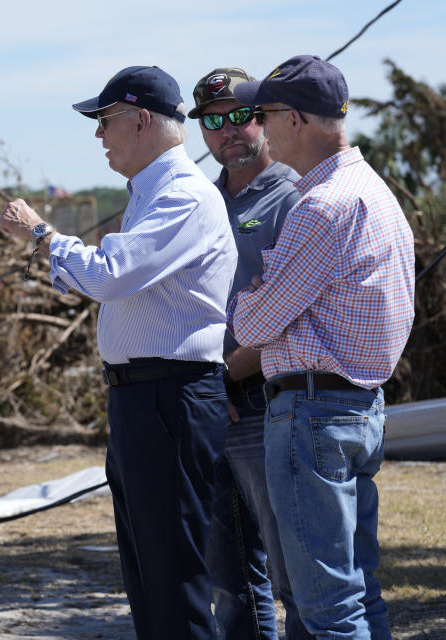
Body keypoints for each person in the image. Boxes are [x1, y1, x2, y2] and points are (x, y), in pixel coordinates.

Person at [0, 65, 237, 639]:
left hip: (170, 397)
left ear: (141, 120)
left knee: (175, 577)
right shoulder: (153, 195)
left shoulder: (183, 196)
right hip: (146, 399)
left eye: (105, 121)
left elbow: (109, 275)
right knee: (149, 571)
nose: (99, 135)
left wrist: (41, 236)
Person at [228, 55, 415, 639]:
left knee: (328, 607)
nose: (256, 124)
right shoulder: (374, 192)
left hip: (311, 415)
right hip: (359, 408)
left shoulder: (320, 207)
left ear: (297, 120)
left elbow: (254, 324)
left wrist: (254, 299)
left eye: (263, 113)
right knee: (360, 592)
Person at [188, 68, 310, 640]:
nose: (228, 130)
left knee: (296, 578)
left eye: (240, 115)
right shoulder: (200, 203)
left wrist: (223, 379)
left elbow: (297, 315)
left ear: (265, 119)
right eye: (213, 121)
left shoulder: (298, 198)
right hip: (213, 413)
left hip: (273, 411)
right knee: (229, 586)